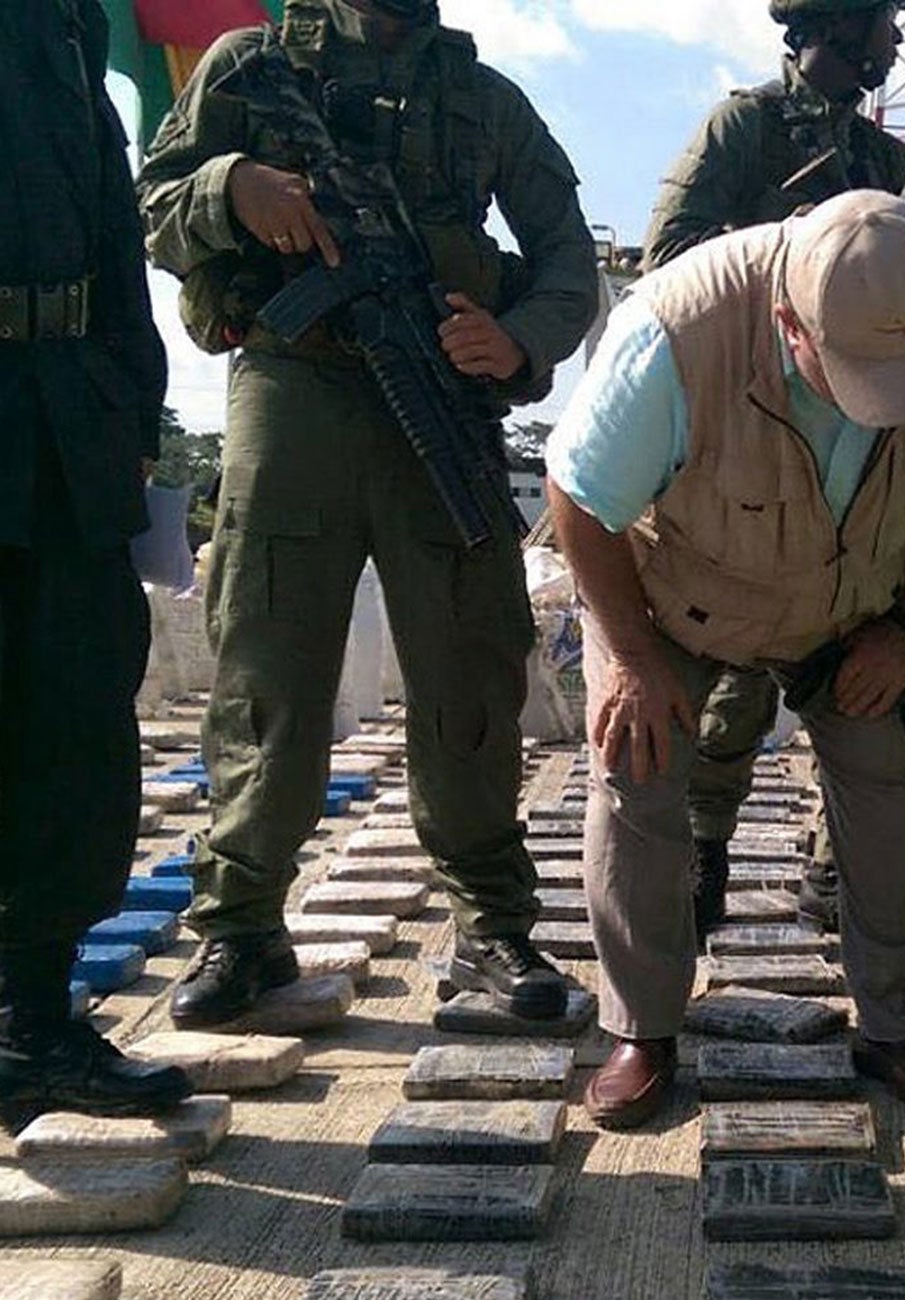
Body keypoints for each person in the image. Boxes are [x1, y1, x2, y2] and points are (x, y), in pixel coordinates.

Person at [138, 0, 601, 1025]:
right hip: (291, 389)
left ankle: (490, 925)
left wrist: (519, 339)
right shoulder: (246, 67)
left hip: (437, 390)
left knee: (469, 667)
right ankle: (244, 929)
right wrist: (231, 188)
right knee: (269, 667)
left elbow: (569, 260)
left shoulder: (483, 101)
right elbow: (153, 202)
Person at [544, 191, 905, 1128]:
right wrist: (635, 659)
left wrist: (904, 626)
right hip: (680, 594)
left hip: (856, 606)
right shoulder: (680, 327)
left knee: (893, 773)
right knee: (637, 763)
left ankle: (893, 1027)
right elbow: (580, 495)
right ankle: (643, 1029)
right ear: (788, 323)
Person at [641, 0, 905, 932]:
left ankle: (833, 861)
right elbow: (667, 262)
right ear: (838, 26)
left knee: (859, 672)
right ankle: (702, 848)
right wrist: (791, 253)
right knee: (726, 678)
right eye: (885, 22)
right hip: (745, 424)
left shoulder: (887, 167)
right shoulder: (745, 129)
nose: (897, 42)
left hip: (858, 441)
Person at [0, 0, 195, 1127]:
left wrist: (130, 410)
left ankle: (37, 1029)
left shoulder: (70, 20)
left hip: (67, 424)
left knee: (76, 725)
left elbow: (116, 238)